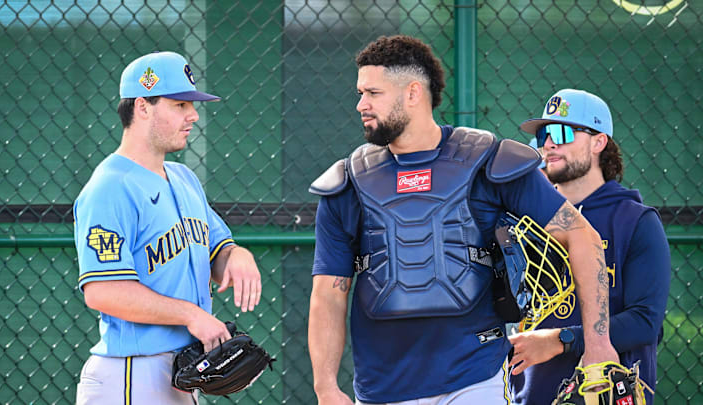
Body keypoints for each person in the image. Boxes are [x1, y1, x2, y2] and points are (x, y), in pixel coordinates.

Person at [307, 35, 618, 405]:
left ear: (412, 93)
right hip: (381, 388)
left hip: (475, 379)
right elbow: (328, 291)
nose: (361, 104)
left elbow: (581, 236)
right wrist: (325, 386)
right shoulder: (348, 182)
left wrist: (598, 344)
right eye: (361, 93)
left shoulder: (489, 162)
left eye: (373, 93)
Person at [73, 51, 262, 404]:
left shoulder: (183, 177)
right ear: (143, 106)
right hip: (131, 375)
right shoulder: (110, 187)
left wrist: (236, 255)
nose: (193, 115)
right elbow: (102, 291)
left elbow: (217, 250)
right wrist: (191, 315)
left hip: (180, 372)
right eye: (179, 104)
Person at [508, 89, 671, 404]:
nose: (549, 143)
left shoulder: (635, 221)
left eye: (561, 132)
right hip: (529, 395)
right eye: (543, 134)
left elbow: (645, 322)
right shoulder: (527, 221)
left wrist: (562, 340)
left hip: (601, 392)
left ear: (599, 142)